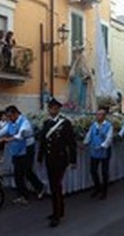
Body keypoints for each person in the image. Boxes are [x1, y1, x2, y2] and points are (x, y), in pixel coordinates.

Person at [0, 105, 44, 205]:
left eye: (10, 116)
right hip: (17, 150)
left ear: (16, 113)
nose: (9, 119)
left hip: (27, 149)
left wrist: (7, 139)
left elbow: (20, 135)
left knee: (25, 172)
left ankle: (36, 189)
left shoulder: (25, 122)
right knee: (19, 173)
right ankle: (26, 194)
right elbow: (0, 132)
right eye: (7, 116)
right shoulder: (11, 123)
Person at [38, 98, 77, 228]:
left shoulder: (65, 123)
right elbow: (43, 142)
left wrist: (73, 160)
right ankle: (59, 211)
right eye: (50, 108)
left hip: (60, 160)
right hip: (49, 159)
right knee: (54, 186)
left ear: (58, 109)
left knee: (56, 186)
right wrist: (40, 157)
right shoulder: (47, 123)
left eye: (55, 108)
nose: (52, 110)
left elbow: (71, 143)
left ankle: (56, 215)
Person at [84, 109, 113, 199]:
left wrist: (102, 145)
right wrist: (85, 143)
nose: (97, 116)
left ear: (104, 116)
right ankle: (97, 187)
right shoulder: (93, 125)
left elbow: (109, 138)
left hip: (104, 151)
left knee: (104, 172)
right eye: (97, 115)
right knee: (93, 170)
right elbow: (89, 135)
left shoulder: (108, 126)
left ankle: (104, 191)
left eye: (99, 115)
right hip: (94, 151)